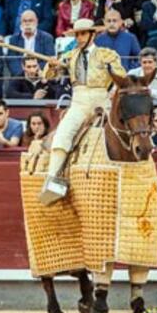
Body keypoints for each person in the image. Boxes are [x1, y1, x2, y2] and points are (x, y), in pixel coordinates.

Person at [39, 18, 126, 205]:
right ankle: (53, 179)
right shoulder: (69, 56)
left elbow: (122, 78)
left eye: (83, 33)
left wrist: (112, 87)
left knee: (127, 131)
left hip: (103, 102)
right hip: (78, 102)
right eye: (77, 34)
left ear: (92, 35)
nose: (79, 38)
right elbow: (46, 76)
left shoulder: (107, 55)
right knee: (63, 134)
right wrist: (52, 66)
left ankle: (144, 171)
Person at [6, 10, 55, 76]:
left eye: (30, 21)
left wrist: (34, 70)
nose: (27, 23)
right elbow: (12, 61)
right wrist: (23, 73)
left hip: (41, 75)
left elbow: (49, 60)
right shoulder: (13, 39)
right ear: (21, 23)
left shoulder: (47, 38)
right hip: (20, 77)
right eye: (25, 21)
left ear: (37, 22)